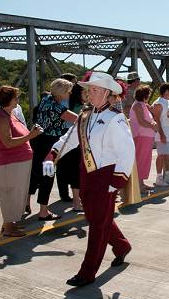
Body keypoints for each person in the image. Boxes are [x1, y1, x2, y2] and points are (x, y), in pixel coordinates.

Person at [42, 72, 135, 287]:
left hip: (106, 177)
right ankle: (121, 246)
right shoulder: (84, 116)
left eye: (95, 90)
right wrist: (51, 156)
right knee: (95, 219)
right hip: (86, 175)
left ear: (106, 92)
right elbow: (68, 140)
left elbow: (127, 151)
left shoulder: (115, 118)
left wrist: (117, 181)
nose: (90, 93)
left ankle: (87, 272)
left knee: (98, 227)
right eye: (89, 89)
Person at [0, 86, 42, 236]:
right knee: (9, 193)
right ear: (9, 99)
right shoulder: (1, 117)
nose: (18, 99)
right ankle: (8, 227)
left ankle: (9, 224)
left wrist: (30, 133)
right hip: (8, 162)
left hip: (18, 161)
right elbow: (8, 142)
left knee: (16, 193)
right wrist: (31, 136)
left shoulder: (10, 114)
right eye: (15, 97)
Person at [28, 78, 78, 220]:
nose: (69, 94)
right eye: (68, 92)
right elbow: (76, 118)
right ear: (61, 93)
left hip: (39, 141)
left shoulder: (46, 100)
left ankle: (26, 203)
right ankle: (44, 211)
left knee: (36, 174)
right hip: (50, 144)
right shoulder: (57, 106)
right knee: (47, 176)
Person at [56, 76, 85, 210]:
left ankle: (66, 195)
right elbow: (78, 121)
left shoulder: (55, 102)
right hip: (71, 136)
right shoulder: (70, 103)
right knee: (74, 169)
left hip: (63, 136)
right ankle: (76, 200)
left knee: (62, 168)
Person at [129, 85, 158, 192]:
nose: (149, 96)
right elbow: (141, 121)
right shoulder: (137, 106)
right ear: (144, 95)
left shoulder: (142, 105)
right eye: (148, 94)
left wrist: (152, 122)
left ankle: (141, 183)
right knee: (141, 159)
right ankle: (139, 186)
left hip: (146, 136)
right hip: (141, 136)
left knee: (144, 160)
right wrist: (153, 125)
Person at [152, 83, 169, 187]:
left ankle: (167, 174)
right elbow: (157, 120)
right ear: (166, 91)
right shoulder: (158, 103)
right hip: (163, 134)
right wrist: (162, 134)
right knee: (161, 155)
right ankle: (159, 177)